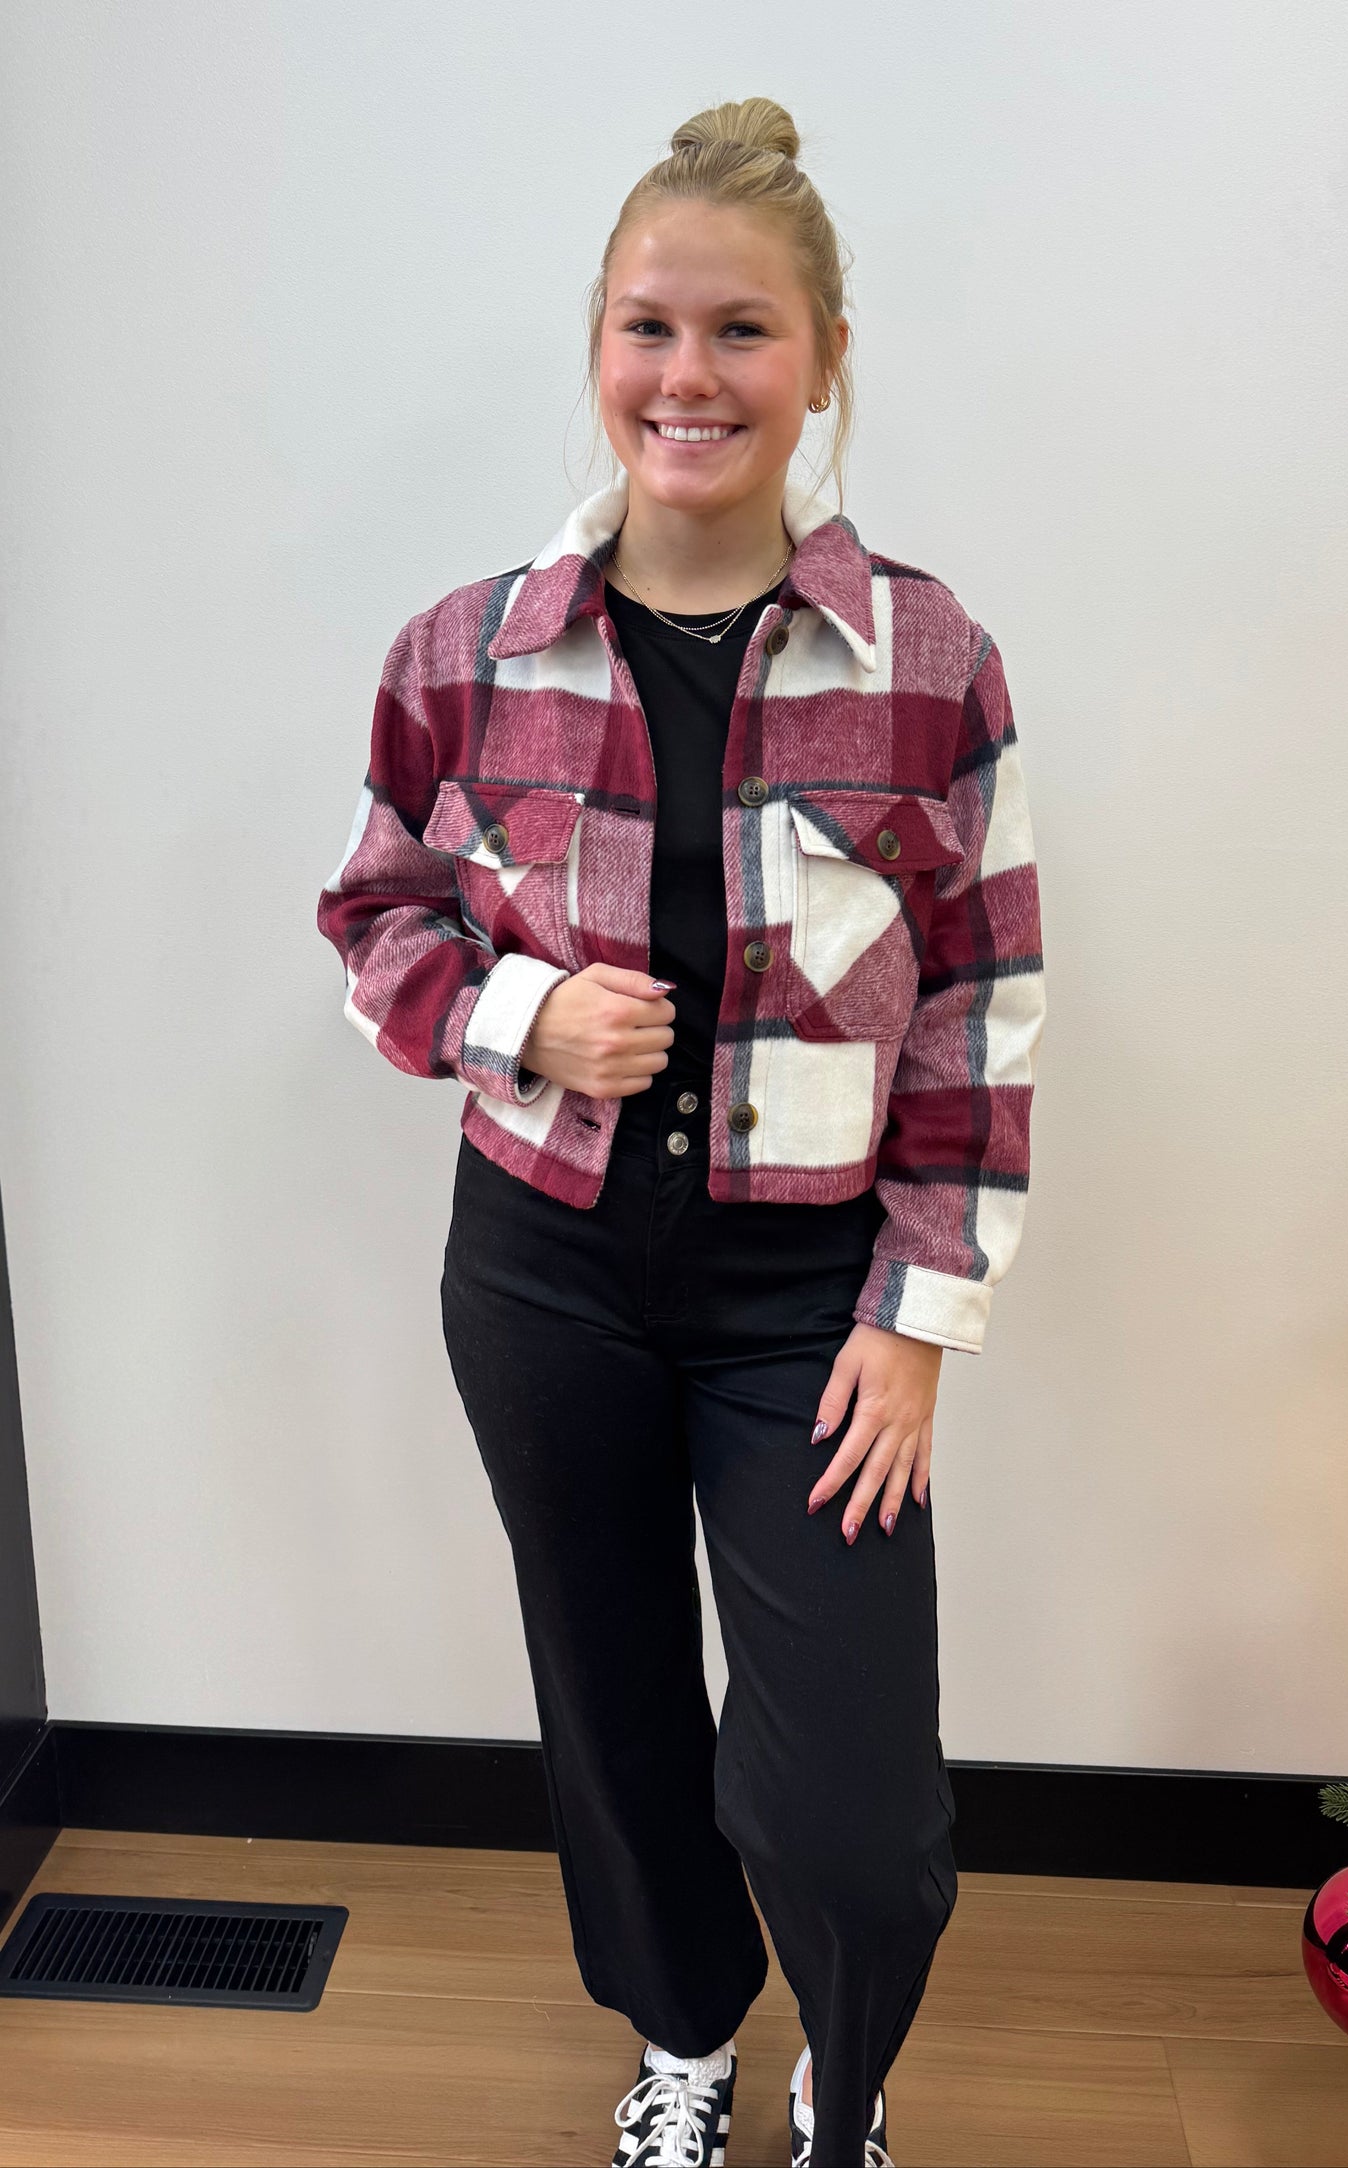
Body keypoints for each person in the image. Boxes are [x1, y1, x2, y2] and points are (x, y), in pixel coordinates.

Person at [317, 95, 1044, 2168]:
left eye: (741, 330)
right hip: (544, 1268)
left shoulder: (931, 663)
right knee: (615, 1696)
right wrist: (528, 1009)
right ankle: (685, 2037)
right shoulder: (468, 652)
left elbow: (985, 1005)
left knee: (854, 1800)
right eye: (651, 326)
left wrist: (918, 1313)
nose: (688, 375)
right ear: (597, 345)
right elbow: (375, 919)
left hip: (812, 1297)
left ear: (820, 358)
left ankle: (852, 2067)